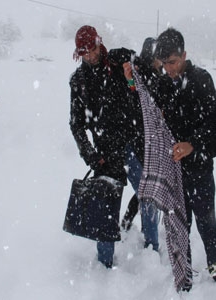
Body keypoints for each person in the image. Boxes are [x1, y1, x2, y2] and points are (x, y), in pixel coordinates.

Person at [153, 27, 216, 284]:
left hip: (199, 171)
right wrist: (131, 80)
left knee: (207, 227)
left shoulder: (200, 80)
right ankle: (183, 278)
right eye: (164, 64)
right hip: (174, 175)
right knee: (178, 230)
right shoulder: (163, 84)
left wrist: (192, 145)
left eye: (173, 62)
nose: (169, 69)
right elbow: (143, 104)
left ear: (184, 55)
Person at [69, 25, 134, 268]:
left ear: (100, 43)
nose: (91, 55)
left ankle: (151, 251)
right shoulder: (79, 82)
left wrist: (131, 66)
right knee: (105, 212)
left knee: (149, 193)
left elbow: (139, 86)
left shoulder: (117, 62)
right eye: (84, 52)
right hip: (105, 155)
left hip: (133, 143)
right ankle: (105, 266)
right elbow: (76, 125)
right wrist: (91, 156)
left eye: (93, 49)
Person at [121, 37, 161, 252]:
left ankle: (126, 225)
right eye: (158, 57)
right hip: (136, 147)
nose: (161, 62)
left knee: (144, 193)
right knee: (148, 195)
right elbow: (135, 104)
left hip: (143, 146)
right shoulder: (141, 74)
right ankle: (151, 246)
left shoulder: (152, 74)